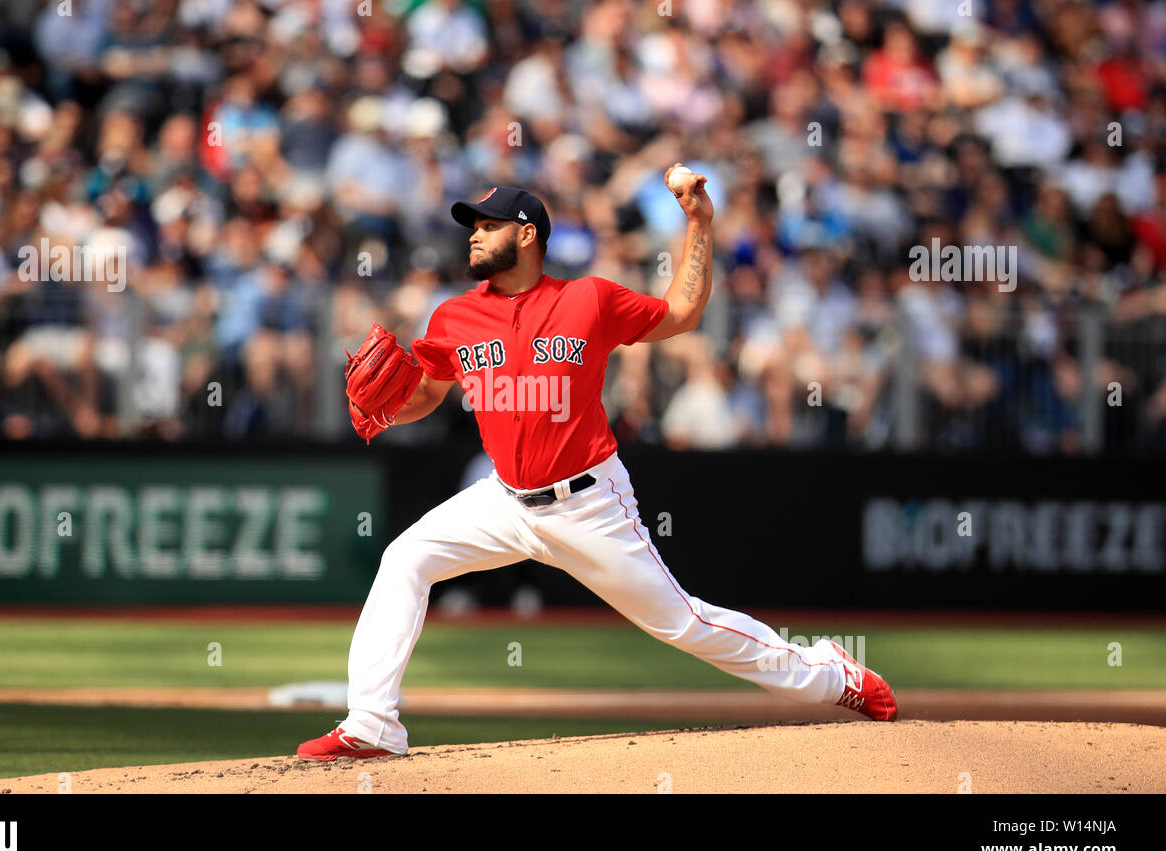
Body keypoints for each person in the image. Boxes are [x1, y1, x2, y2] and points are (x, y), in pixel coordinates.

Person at [297, 176, 896, 761]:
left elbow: (683, 311)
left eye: (488, 226)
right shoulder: (455, 316)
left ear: (527, 235)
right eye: (472, 228)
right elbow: (427, 393)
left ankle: (826, 673)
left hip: (589, 503)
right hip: (504, 499)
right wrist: (387, 409)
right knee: (405, 559)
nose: (474, 238)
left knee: (684, 623)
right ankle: (372, 724)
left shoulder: (588, 299)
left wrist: (698, 222)